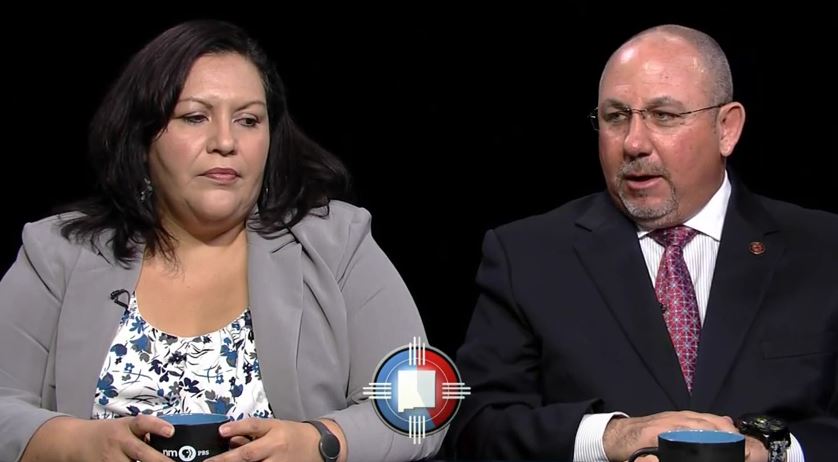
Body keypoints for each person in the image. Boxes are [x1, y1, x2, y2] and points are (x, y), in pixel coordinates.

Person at [0, 19, 443, 462]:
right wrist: (73, 444)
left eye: (248, 120)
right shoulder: (58, 253)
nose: (226, 142)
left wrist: (320, 443)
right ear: (142, 135)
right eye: (195, 117)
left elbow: (423, 402)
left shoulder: (338, 244)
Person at [447, 24, 837, 462]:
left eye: (664, 116)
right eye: (615, 117)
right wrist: (608, 438)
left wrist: (777, 452)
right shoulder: (526, 256)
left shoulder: (825, 250)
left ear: (727, 128)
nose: (633, 142)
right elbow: (474, 426)